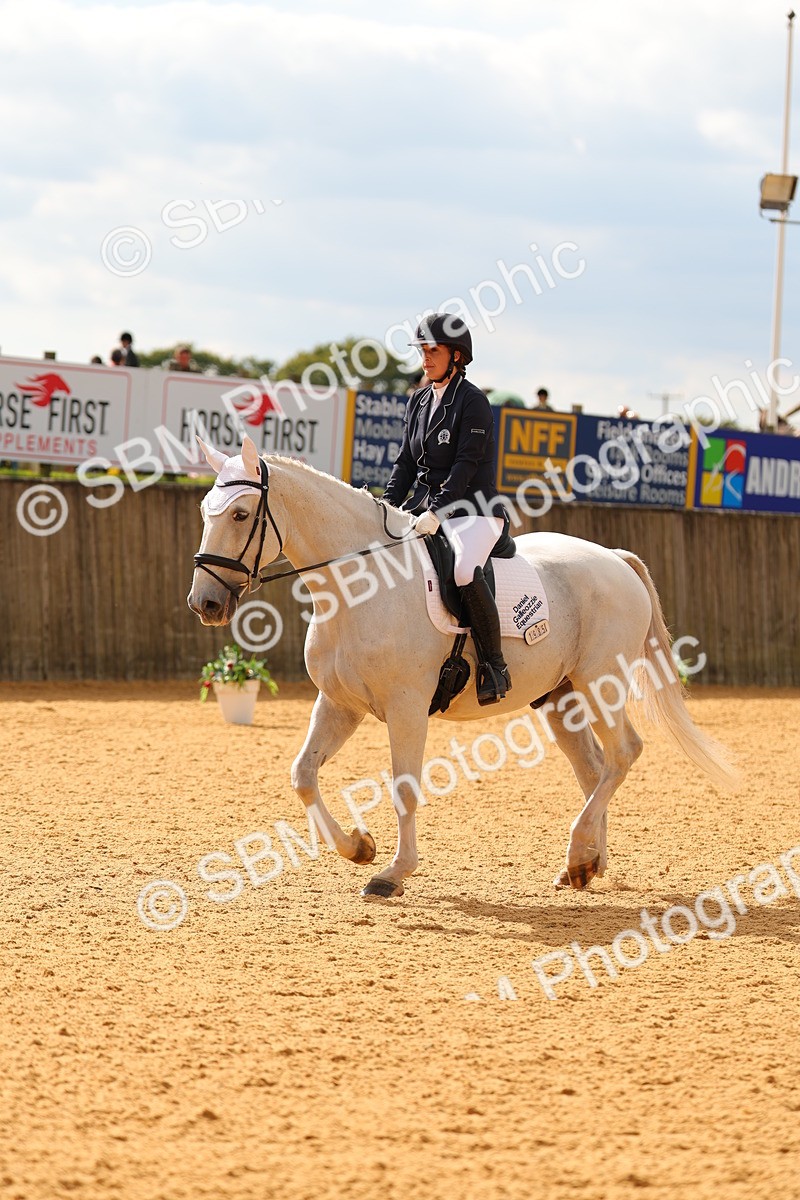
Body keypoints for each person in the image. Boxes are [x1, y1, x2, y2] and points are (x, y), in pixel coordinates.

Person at [382, 313, 511, 704]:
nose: (424, 357)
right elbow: (405, 462)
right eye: (422, 350)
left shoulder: (473, 402)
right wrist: (386, 506)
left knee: (462, 569)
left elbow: (465, 465)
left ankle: (494, 665)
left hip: (474, 510)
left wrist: (437, 511)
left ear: (456, 355)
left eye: (432, 350)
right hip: (425, 508)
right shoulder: (419, 400)